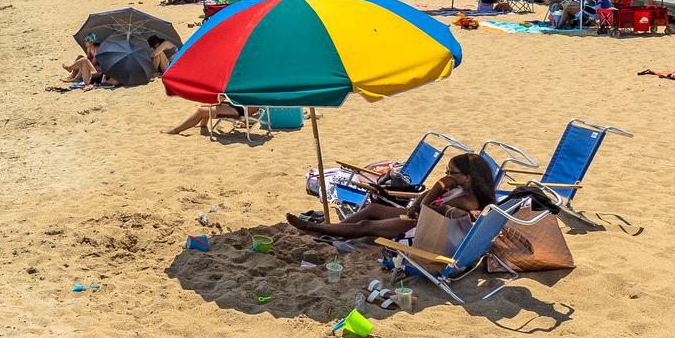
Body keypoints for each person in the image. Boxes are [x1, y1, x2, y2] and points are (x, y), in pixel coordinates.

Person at [286, 151, 496, 241]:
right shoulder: (461, 189)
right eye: (446, 172)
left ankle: (315, 228)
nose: (447, 176)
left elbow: (428, 208)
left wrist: (440, 186)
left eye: (452, 173)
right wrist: (421, 201)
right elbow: (424, 198)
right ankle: (333, 233)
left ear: (468, 177)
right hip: (418, 216)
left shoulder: (467, 199)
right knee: (372, 209)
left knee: (366, 226)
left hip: (421, 228)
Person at [165, 100, 244, 135]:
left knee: (201, 111)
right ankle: (203, 124)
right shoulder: (254, 85)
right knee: (207, 105)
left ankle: (176, 130)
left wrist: (224, 100)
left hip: (239, 110)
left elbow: (240, 101)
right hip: (241, 108)